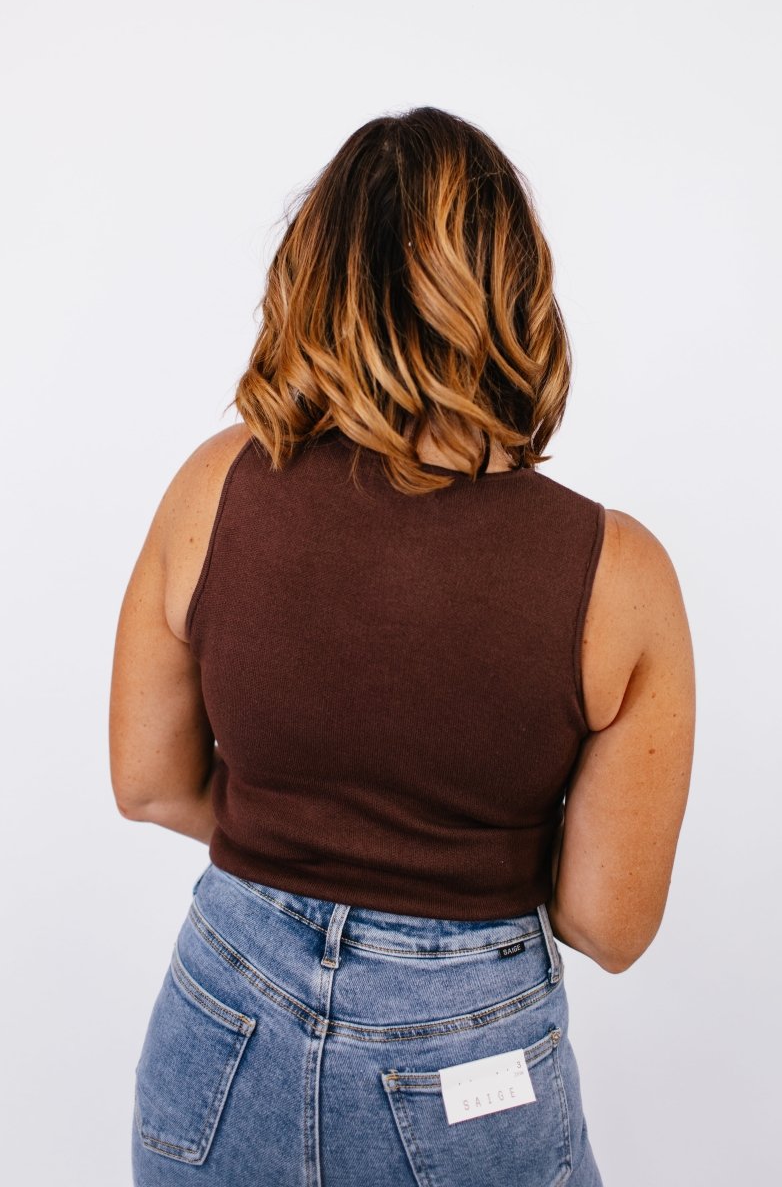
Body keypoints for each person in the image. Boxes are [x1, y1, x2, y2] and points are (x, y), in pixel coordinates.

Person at [109, 106, 695, 1186]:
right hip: (470, 1057)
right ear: (516, 288)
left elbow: (147, 783)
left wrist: (301, 842)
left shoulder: (215, 486)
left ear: (314, 274)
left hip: (222, 1024)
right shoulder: (618, 575)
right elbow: (605, 923)